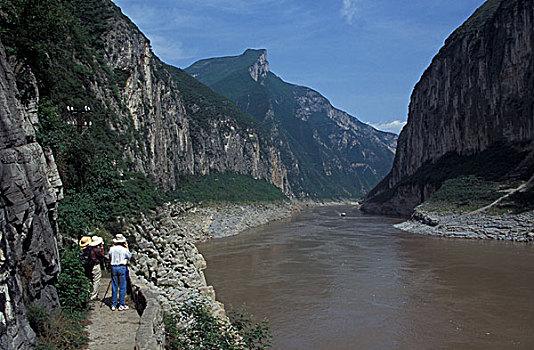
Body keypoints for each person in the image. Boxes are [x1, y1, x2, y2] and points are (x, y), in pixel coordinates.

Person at [108, 234, 132, 311]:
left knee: (114, 286)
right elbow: (129, 256)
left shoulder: (112, 249)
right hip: (122, 267)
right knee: (122, 287)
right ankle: (121, 304)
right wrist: (127, 248)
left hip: (114, 267)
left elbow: (110, 257)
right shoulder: (124, 250)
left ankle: (113, 304)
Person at [88, 236, 105, 300]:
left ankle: (89, 292)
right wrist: (102, 248)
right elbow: (102, 255)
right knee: (96, 280)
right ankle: (93, 295)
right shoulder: (96, 249)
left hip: (89, 265)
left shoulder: (89, 248)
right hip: (95, 265)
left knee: (90, 279)